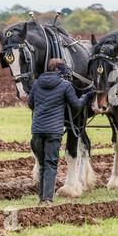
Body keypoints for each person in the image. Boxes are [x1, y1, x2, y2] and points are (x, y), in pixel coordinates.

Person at [28, 58, 93, 205]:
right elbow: (76, 106)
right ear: (60, 70)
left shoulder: (37, 83)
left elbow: (31, 104)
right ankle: (47, 199)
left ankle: (41, 198)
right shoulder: (65, 85)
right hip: (53, 131)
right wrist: (86, 96)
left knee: (43, 164)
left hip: (37, 130)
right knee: (50, 163)